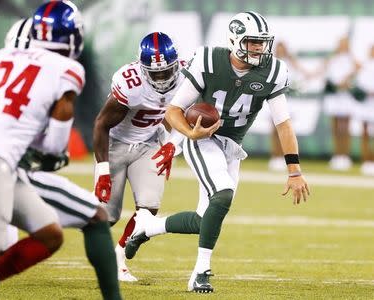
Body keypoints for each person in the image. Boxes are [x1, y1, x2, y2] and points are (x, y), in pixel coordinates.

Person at [0, 14, 121, 300]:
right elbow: (59, 130)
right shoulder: (67, 69)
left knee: (50, 235)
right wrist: (44, 152)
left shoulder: (4, 59)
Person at [126, 11, 310, 293]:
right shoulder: (208, 60)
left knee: (205, 219)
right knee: (222, 194)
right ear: (236, 40)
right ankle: (201, 272)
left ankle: (147, 227)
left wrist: (294, 169)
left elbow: (283, 124)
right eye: (253, 42)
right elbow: (174, 110)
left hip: (231, 147)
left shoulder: (273, 71)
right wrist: (189, 134)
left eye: (262, 42)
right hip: (201, 139)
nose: (260, 48)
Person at [93, 32, 185, 281]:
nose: (163, 78)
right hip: (115, 145)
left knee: (149, 209)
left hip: (149, 143)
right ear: (143, 69)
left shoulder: (187, 75)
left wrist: (171, 145)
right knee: (106, 217)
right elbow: (101, 124)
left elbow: (184, 117)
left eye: (167, 71)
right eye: (155, 73)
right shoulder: (129, 82)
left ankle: (118, 258)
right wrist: (102, 171)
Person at [268, 41, 311, 171]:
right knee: (274, 128)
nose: (281, 51)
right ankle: (275, 156)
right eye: (279, 48)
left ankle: (284, 157)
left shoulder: (290, 63)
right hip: (274, 99)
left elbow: (303, 75)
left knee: (286, 128)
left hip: (288, 101)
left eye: (283, 49)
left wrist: (296, 86)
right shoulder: (271, 63)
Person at [322, 36, 359, 171]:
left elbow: (358, 67)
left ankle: (345, 155)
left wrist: (346, 79)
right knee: (336, 127)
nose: (342, 46)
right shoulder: (334, 58)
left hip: (346, 95)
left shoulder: (350, 58)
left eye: (344, 44)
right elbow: (325, 66)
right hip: (334, 95)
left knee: (345, 126)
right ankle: (337, 155)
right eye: (340, 44)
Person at [352, 44, 374, 176]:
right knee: (365, 132)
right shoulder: (364, 65)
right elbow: (358, 84)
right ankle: (366, 161)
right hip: (365, 104)